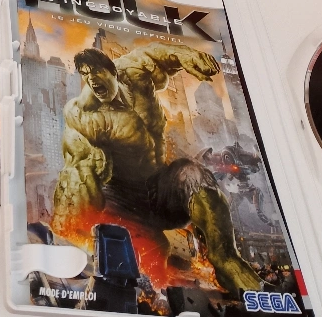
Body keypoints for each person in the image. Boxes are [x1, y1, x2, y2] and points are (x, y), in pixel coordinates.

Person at [53, 45, 261, 296]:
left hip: (160, 190)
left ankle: (226, 259)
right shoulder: (83, 116)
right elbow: (77, 173)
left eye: (96, 71)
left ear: (113, 71)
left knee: (193, 174)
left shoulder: (132, 74)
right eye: (86, 75)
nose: (92, 79)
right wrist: (71, 230)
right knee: (150, 271)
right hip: (123, 205)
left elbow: (153, 54)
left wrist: (187, 56)